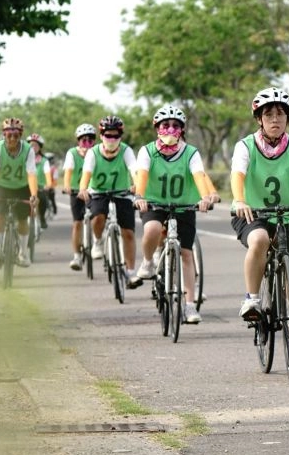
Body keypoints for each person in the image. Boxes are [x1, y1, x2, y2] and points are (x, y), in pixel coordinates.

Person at [229, 87, 289, 343]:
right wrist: (240, 199)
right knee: (260, 240)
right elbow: (238, 174)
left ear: (288, 119)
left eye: (280, 114)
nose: (275, 119)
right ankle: (252, 299)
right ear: (259, 120)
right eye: (268, 115)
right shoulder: (245, 146)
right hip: (253, 213)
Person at [128, 105, 219, 323]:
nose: (170, 130)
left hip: (184, 206)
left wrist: (206, 197)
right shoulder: (147, 151)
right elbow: (142, 175)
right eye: (165, 125)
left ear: (182, 130)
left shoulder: (190, 153)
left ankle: (189, 305)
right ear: (157, 128)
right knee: (151, 229)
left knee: (186, 254)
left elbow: (199, 176)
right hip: (154, 205)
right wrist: (139, 196)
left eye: (175, 126)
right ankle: (148, 261)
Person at [78, 115, 140, 279]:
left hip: (123, 193)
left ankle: (131, 271)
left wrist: (138, 185)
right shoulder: (93, 152)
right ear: (101, 136)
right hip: (98, 192)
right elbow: (87, 173)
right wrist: (83, 188)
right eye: (108, 135)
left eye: (115, 135)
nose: (111, 139)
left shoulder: (126, 151)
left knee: (128, 232)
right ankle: (98, 241)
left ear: (120, 136)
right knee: (98, 217)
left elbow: (135, 169)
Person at [0, 117, 39, 267]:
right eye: (8, 135)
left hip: (21, 187)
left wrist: (34, 195)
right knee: (0, 215)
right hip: (3, 186)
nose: (12, 139)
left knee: (23, 220)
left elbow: (31, 173)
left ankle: (23, 254)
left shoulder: (28, 150)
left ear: (21, 135)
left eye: (16, 135)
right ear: (3, 135)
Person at [59, 124, 96, 267]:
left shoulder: (98, 152)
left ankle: (99, 240)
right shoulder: (72, 153)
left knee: (99, 216)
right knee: (77, 223)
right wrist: (67, 185)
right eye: (83, 140)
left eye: (90, 140)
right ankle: (77, 256)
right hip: (76, 191)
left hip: (93, 191)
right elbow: (68, 170)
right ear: (78, 141)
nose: (87, 144)